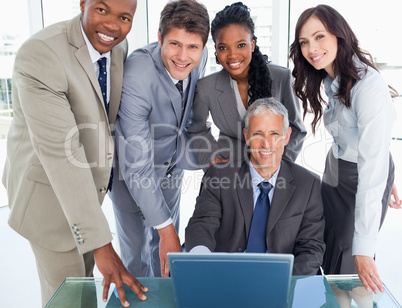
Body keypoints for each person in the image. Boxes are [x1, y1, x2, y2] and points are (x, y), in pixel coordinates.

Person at [2, 0, 148, 306]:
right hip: (47, 197)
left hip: (85, 195)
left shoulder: (116, 48)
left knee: (84, 289)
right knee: (69, 297)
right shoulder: (41, 54)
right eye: (102, 9)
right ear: (82, 3)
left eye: (124, 17)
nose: (112, 25)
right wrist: (102, 242)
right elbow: (61, 154)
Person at [289, 4, 400, 293]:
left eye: (319, 37)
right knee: (331, 248)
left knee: (353, 258)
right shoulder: (331, 77)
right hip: (336, 172)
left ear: (339, 35)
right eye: (304, 42)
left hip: (361, 178)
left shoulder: (369, 86)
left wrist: (365, 248)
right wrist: (384, 168)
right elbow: (360, 141)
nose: (312, 48)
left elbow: (372, 169)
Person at [108, 0, 209, 278]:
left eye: (192, 47)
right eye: (174, 44)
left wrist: (210, 157)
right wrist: (167, 230)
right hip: (130, 176)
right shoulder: (137, 77)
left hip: (170, 173)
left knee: (164, 255)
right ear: (159, 38)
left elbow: (183, 120)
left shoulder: (200, 57)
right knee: (137, 260)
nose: (183, 56)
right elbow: (136, 163)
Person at [185, 98, 325, 275]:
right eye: (258, 134)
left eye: (274, 134)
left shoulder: (308, 184)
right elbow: (202, 225)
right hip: (227, 275)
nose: (266, 144)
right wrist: (202, 262)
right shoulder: (219, 176)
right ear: (246, 136)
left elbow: (311, 247)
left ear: (287, 136)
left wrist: (286, 284)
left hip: (280, 279)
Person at [188, 2, 306, 169]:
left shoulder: (282, 78)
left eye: (241, 45)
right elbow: (196, 129)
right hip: (228, 170)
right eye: (223, 47)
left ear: (252, 44)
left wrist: (278, 164)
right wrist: (210, 158)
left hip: (272, 170)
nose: (233, 55)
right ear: (215, 49)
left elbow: (296, 129)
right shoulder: (206, 87)